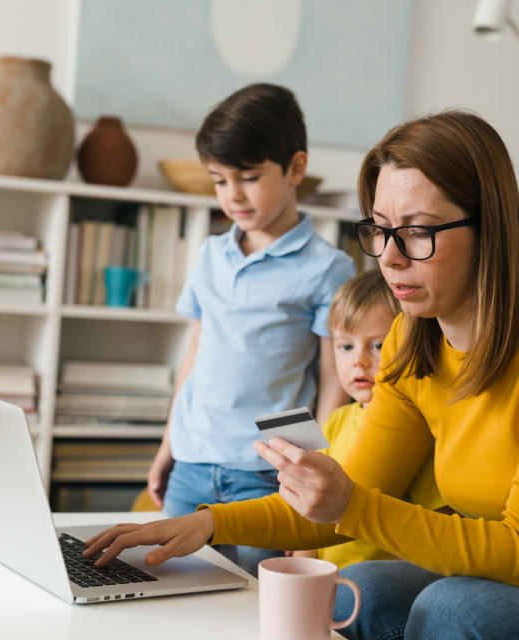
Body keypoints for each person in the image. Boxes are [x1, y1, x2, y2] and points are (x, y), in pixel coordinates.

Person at [85, 110, 519, 640]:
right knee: (356, 590)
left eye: (418, 233)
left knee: (455, 610)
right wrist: (208, 524)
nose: (390, 259)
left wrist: (353, 504)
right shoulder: (410, 341)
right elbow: (341, 501)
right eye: (380, 231)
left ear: (490, 228)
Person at [145, 83, 355, 575]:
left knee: (256, 606)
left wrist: (308, 476)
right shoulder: (209, 255)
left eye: (248, 177)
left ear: (295, 169)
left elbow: (332, 382)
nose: (232, 195)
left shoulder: (329, 268)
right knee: (164, 589)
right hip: (192, 464)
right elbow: (194, 358)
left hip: (266, 476)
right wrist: (166, 449)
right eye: (219, 180)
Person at [290, 268, 447, 569]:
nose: (359, 361)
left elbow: (425, 524)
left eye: (377, 346)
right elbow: (313, 509)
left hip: (383, 580)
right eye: (346, 346)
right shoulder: (336, 421)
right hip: (326, 573)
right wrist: (302, 565)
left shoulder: (421, 430)